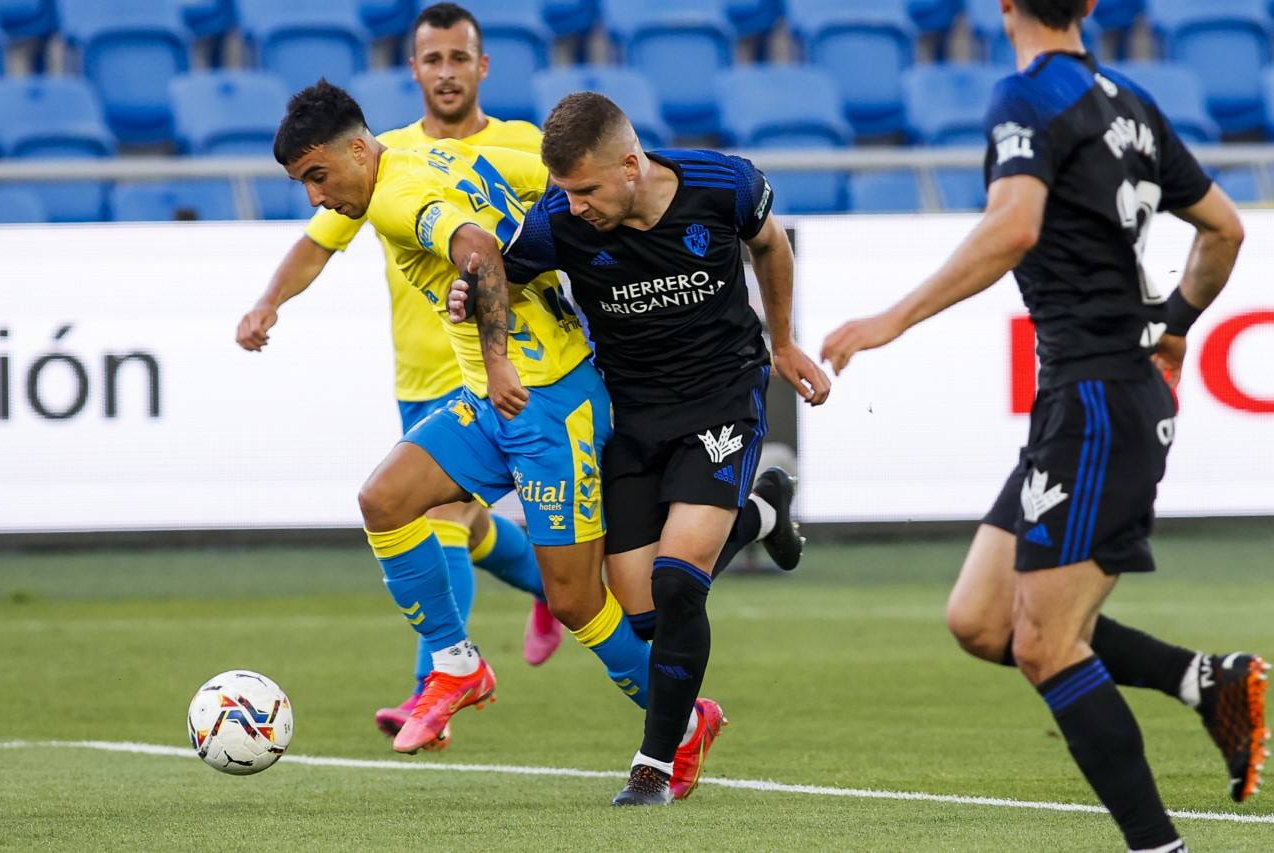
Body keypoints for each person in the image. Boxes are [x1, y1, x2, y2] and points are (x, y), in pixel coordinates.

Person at [819, 1, 1266, 848]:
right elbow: (1226, 227)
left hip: (1098, 400)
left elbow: (1013, 226)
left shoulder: (1025, 98)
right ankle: (1204, 679)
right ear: (1091, 5)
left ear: (1004, 7)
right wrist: (1175, 324)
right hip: (1089, 394)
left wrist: (892, 319)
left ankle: (1157, 844)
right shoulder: (1130, 100)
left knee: (1045, 643)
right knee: (982, 619)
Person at [452, 92, 831, 805]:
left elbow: (771, 246)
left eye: (587, 188)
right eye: (564, 190)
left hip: (722, 397)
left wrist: (782, 341)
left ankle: (655, 765)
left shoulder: (725, 185)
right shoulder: (560, 221)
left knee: (680, 581)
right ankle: (764, 516)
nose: (575, 204)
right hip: (630, 413)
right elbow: (496, 272)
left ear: (631, 164)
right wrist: (468, 291)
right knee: (643, 611)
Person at [271, 79, 658, 755]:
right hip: (490, 401)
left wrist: (499, 356)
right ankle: (456, 663)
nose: (315, 196)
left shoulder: (394, 197)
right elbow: (537, 188)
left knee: (575, 602)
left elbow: (476, 249)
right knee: (384, 499)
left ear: (359, 151)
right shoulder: (427, 158)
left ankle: (681, 713)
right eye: (303, 181)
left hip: (545, 399)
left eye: (317, 175)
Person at [235, 3, 563, 747]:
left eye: (458, 57)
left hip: (498, 371)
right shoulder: (374, 159)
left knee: (438, 519)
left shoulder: (521, 146)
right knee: (468, 525)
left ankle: (432, 690)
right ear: (412, 70)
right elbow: (319, 242)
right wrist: (267, 303)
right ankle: (550, 587)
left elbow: (574, 221)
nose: (445, 71)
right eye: (431, 59)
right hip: (418, 377)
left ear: (483, 67)